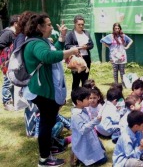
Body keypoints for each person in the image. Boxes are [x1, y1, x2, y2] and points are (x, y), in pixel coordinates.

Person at [22, 13, 79, 166]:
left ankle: (49, 147)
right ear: (39, 27)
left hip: (45, 89)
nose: (50, 26)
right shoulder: (36, 43)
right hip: (42, 91)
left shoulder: (42, 41)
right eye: (48, 24)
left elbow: (54, 52)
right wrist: (72, 51)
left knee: (50, 120)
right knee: (46, 124)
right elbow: (47, 56)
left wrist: (62, 37)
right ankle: (44, 158)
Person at [71, 87, 107, 166]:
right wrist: (95, 121)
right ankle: (79, 157)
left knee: (103, 156)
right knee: (103, 159)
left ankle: (82, 158)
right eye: (87, 98)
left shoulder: (84, 109)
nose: (89, 100)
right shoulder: (76, 115)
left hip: (89, 140)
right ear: (79, 102)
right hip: (83, 144)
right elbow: (83, 130)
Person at [65, 15, 94, 90]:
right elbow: (67, 46)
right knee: (76, 79)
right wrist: (79, 47)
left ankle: (84, 97)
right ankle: (75, 98)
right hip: (76, 59)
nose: (81, 26)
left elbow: (91, 45)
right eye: (79, 24)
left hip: (86, 58)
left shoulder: (86, 33)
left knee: (85, 79)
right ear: (75, 24)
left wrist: (86, 46)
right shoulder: (70, 34)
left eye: (82, 24)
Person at [0, 14, 19, 111]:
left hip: (13, 61)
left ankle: (14, 100)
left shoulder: (15, 34)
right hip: (7, 62)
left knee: (13, 81)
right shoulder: (7, 33)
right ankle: (6, 102)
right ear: (15, 23)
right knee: (8, 82)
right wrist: (5, 59)